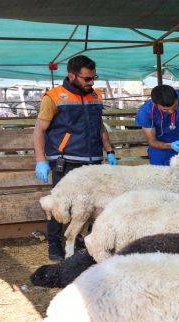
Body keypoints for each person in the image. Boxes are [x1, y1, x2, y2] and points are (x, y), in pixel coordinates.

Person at [32, 55, 116, 260]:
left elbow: (100, 127)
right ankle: (54, 242)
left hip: (93, 161)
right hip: (66, 160)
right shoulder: (53, 97)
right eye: (87, 78)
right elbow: (39, 130)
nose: (91, 82)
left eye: (94, 77)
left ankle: (80, 241)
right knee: (60, 203)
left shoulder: (95, 96)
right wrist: (40, 160)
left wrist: (110, 151)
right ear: (72, 75)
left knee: (89, 204)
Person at [134, 85, 179, 196]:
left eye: (175, 106)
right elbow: (152, 141)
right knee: (163, 188)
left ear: (177, 98)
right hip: (160, 152)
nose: (171, 111)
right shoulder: (145, 112)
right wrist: (171, 146)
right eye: (165, 109)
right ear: (155, 104)